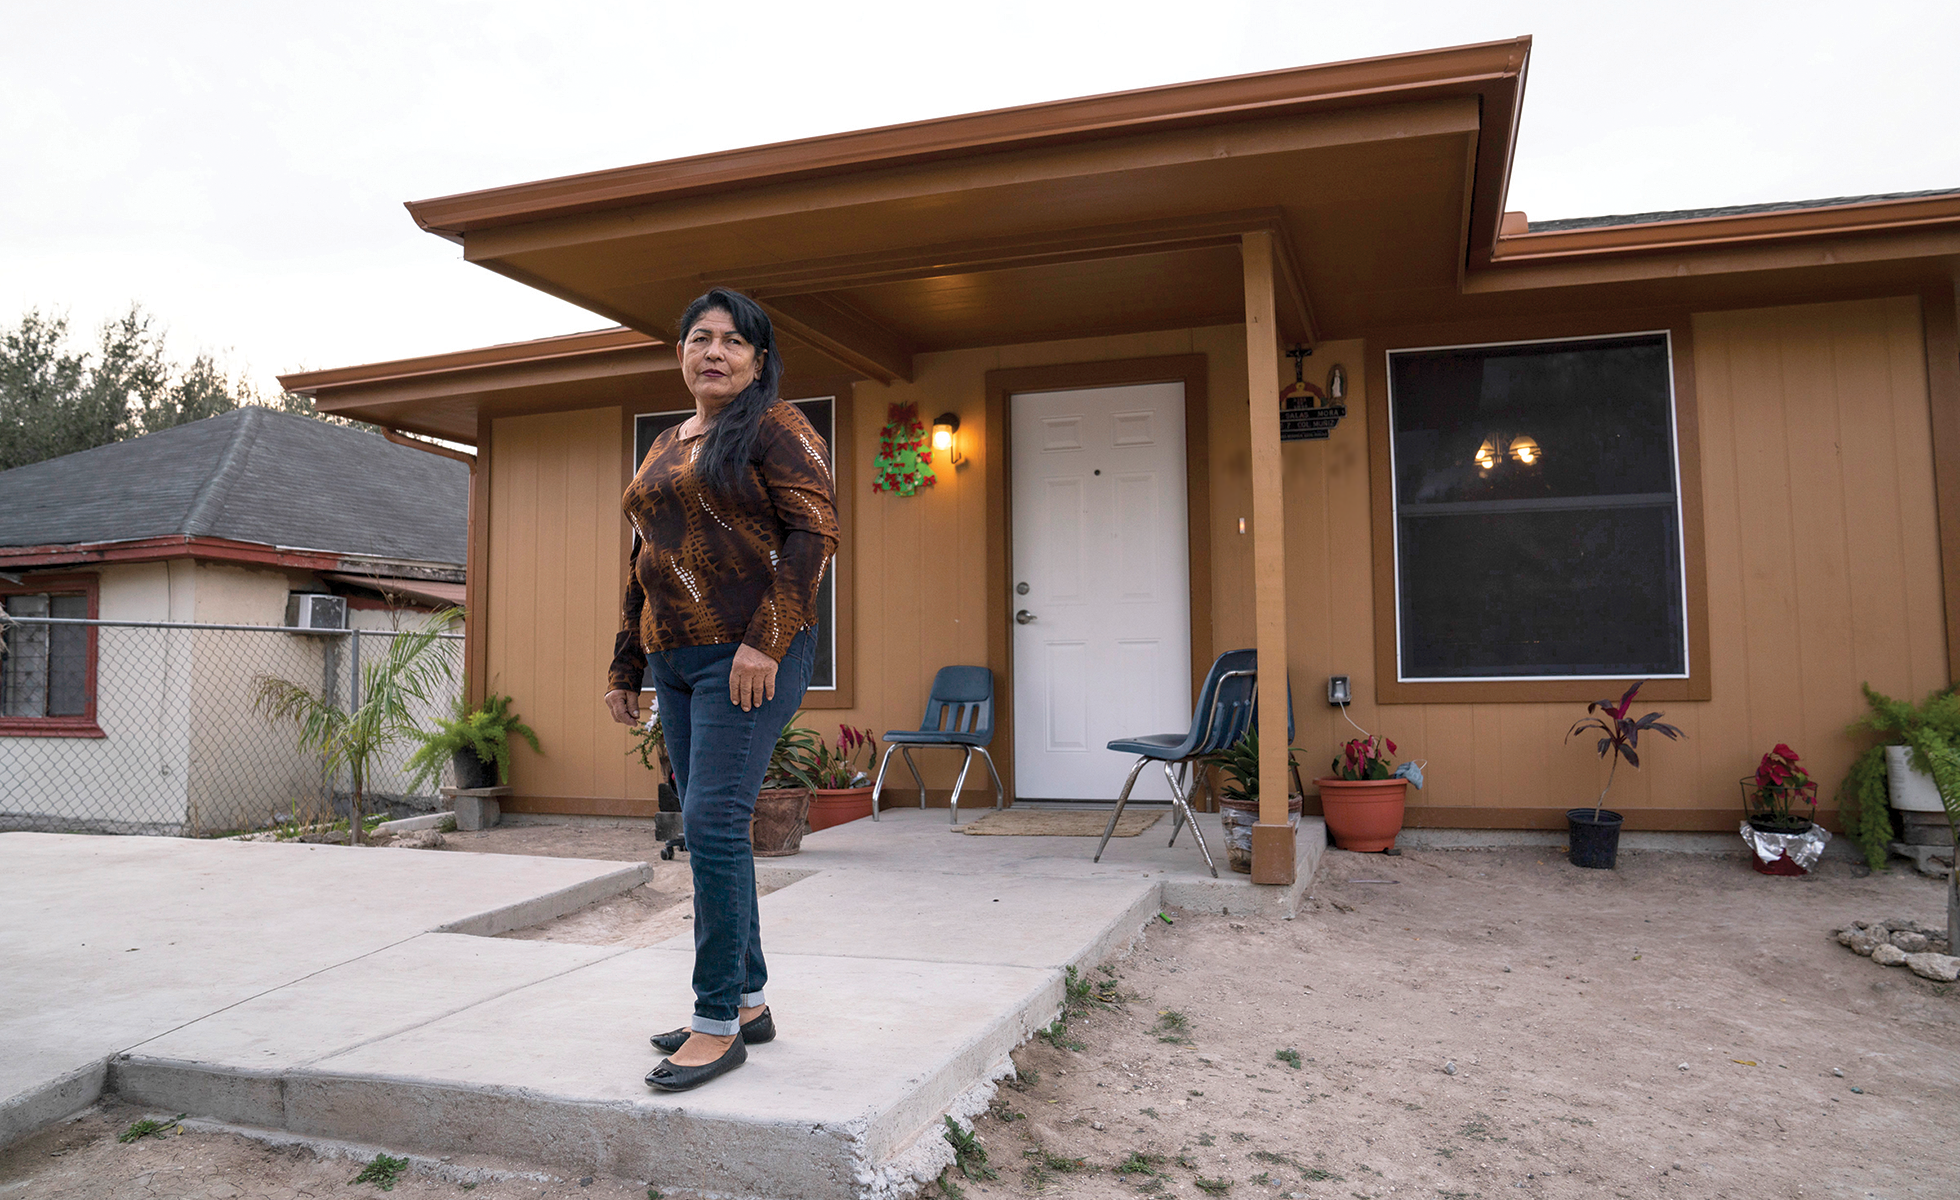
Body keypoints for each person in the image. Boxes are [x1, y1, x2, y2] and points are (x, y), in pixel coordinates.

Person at [604, 287, 837, 1092]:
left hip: (749, 656)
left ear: (758, 361)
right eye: (699, 338)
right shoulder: (666, 443)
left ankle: (713, 1023)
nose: (714, 351)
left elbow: (814, 535)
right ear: (680, 354)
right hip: (675, 659)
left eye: (733, 342)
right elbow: (648, 555)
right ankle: (749, 1005)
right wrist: (626, 664)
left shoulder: (779, 428)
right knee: (711, 828)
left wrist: (765, 643)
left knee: (712, 820)